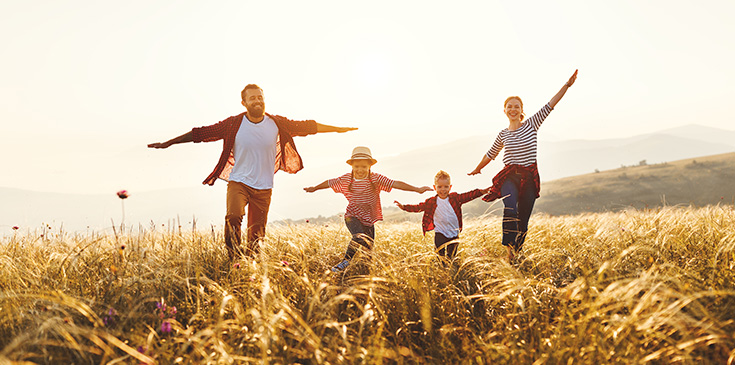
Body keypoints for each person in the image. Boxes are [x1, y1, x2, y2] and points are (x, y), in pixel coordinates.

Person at [148, 84, 356, 260]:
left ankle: (249, 266)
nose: (257, 101)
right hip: (239, 182)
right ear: (244, 103)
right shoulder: (233, 124)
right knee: (233, 216)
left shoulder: (277, 123)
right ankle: (234, 258)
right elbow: (201, 133)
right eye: (252, 98)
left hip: (264, 187)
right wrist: (169, 143)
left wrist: (338, 129)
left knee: (256, 236)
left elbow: (308, 126)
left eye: (260, 97)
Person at [468, 70, 578, 262]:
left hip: (529, 176)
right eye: (509, 107)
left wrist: (567, 85)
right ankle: (509, 250)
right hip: (509, 177)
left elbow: (551, 104)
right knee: (510, 208)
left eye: (516, 106)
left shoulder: (532, 124)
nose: (513, 109)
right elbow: (490, 154)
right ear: (504, 110)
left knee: (524, 219)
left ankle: (516, 254)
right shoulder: (503, 134)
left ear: (521, 110)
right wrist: (478, 168)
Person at [304, 146, 433, 272]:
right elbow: (329, 182)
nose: (360, 170)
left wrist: (417, 189)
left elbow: (395, 183)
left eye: (364, 167)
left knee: (368, 251)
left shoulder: (375, 179)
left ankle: (364, 275)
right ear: (352, 166)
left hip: (369, 219)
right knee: (359, 236)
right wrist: (314, 188)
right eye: (357, 166)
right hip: (352, 216)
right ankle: (345, 261)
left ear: (370, 166)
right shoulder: (346, 179)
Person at [394, 170, 489, 263]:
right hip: (440, 233)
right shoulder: (431, 202)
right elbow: (418, 207)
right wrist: (404, 207)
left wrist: (481, 192)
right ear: (434, 187)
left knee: (451, 258)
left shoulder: (455, 198)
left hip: (454, 234)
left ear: (450, 187)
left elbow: (468, 195)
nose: (443, 189)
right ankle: (441, 270)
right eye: (439, 187)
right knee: (440, 257)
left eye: (446, 187)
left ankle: (450, 271)